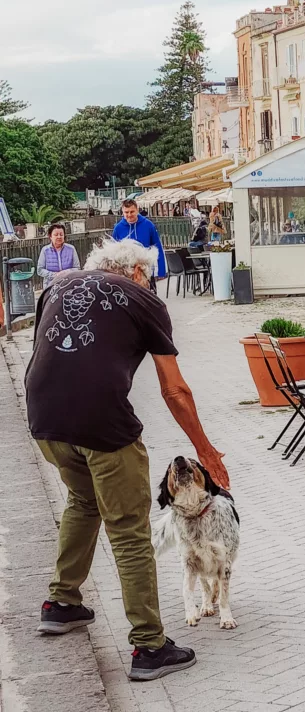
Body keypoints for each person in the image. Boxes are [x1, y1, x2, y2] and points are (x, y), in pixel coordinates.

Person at [26, 237, 228, 681]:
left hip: (43, 418)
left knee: (82, 501)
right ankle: (149, 646)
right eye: (149, 275)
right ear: (136, 271)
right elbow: (174, 389)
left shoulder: (58, 284)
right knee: (130, 531)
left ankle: (61, 604)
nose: (151, 283)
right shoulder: (145, 299)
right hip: (104, 425)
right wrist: (205, 451)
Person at [112, 199, 167, 285]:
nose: (129, 215)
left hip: (146, 271)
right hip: (126, 273)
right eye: (126, 212)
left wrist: (161, 271)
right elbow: (113, 253)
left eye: (132, 212)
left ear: (137, 210)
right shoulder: (118, 228)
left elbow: (158, 248)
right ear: (122, 212)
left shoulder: (148, 225)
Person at [37, 224, 80, 288]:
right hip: (50, 285)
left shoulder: (71, 249)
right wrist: (55, 275)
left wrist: (65, 273)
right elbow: (40, 270)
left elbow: (77, 268)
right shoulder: (45, 250)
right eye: (56, 235)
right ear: (50, 236)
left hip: (69, 284)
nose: (59, 237)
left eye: (61, 234)